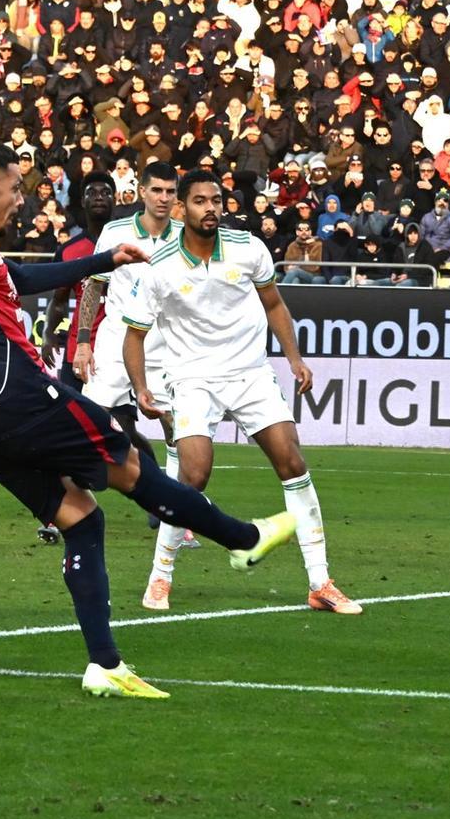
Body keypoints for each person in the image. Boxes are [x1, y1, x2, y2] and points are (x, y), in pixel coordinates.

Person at [0, 140, 296, 700]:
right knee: (130, 462)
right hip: (19, 399)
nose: (19, 200)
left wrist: (103, 261)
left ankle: (105, 665)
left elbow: (18, 279)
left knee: (81, 518)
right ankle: (242, 538)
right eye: (15, 189)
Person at [123, 170, 361, 615]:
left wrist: (294, 358)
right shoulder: (158, 266)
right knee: (193, 477)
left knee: (293, 463)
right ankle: (160, 575)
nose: (210, 208)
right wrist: (141, 388)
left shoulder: (249, 247)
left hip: (250, 373)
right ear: (182, 210)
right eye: (200, 201)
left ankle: (320, 583)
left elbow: (274, 303)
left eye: (216, 200)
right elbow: (134, 335)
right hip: (192, 378)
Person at [72, 161, 202, 595]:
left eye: (170, 191)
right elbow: (94, 285)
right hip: (114, 342)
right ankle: (65, 507)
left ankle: (176, 515)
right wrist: (84, 342)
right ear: (142, 192)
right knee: (86, 422)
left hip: (165, 344)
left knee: (176, 429)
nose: (164, 198)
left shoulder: (188, 236)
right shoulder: (115, 231)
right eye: (157, 190)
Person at [43, 172, 115, 393]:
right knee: (71, 414)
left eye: (106, 192)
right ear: (83, 201)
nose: (99, 197)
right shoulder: (68, 251)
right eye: (92, 193)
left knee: (120, 416)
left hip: (117, 350)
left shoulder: (129, 246)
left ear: (115, 199)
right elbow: (59, 300)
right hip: (78, 350)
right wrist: (48, 333)